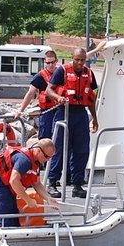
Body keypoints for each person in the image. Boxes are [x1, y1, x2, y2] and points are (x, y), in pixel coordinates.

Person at [45, 47, 99, 199]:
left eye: (82, 60)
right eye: (77, 60)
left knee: (81, 150)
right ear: (72, 58)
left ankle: (77, 184)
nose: (80, 63)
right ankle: (52, 182)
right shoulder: (61, 71)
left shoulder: (89, 73)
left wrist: (94, 118)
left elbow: (91, 98)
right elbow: (49, 90)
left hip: (81, 114)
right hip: (64, 112)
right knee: (58, 148)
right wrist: (58, 97)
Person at [0, 138, 59, 227]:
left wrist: (48, 198)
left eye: (50, 158)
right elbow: (14, 180)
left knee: (14, 218)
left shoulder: (36, 163)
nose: (48, 160)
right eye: (47, 157)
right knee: (5, 220)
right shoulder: (24, 160)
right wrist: (28, 200)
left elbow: (37, 183)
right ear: (38, 151)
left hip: (7, 187)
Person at [14, 51, 60, 139]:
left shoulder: (61, 74)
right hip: (46, 112)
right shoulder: (39, 77)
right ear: (44, 62)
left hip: (60, 111)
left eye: (53, 62)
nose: (51, 65)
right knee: (45, 138)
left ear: (56, 61)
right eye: (48, 62)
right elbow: (30, 93)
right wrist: (20, 110)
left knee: (60, 137)